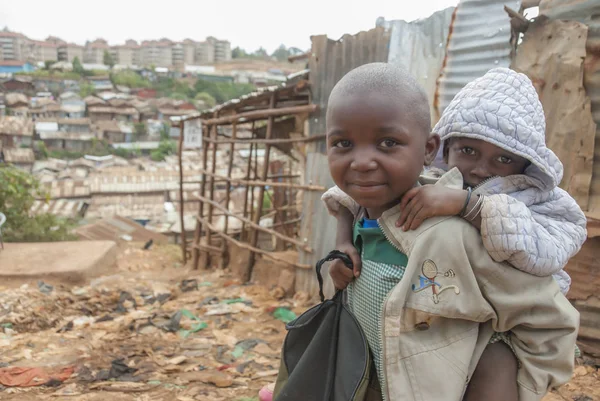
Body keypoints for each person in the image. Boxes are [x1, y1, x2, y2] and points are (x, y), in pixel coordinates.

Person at [262, 64, 580, 401]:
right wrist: (341, 247)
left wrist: (513, 376)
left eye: (387, 142)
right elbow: (345, 200)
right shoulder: (373, 208)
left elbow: (549, 320)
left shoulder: (465, 234)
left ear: (428, 148)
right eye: (343, 143)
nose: (363, 162)